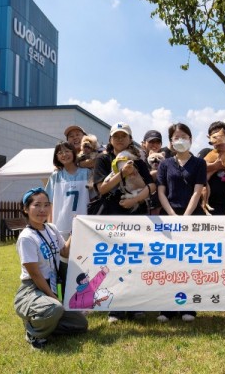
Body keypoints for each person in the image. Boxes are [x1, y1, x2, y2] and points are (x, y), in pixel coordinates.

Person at [92, 122, 156, 323]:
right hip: (112, 214)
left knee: (136, 260)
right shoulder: (103, 159)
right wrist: (122, 173)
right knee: (114, 261)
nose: (119, 139)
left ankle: (136, 305)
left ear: (130, 139)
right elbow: (101, 189)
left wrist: (134, 200)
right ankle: (116, 308)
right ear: (110, 139)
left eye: (124, 136)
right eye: (116, 136)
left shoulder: (137, 159)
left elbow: (152, 186)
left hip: (136, 214)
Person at [14, 187, 88, 350]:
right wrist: (53, 297)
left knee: (80, 324)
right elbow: (35, 274)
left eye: (46, 205)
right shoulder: (26, 238)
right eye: (37, 205)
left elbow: (64, 252)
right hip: (33, 288)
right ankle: (33, 332)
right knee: (54, 308)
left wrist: (74, 230)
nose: (42, 210)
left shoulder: (51, 228)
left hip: (53, 284)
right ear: (26, 209)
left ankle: (46, 324)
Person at [156, 123, 207, 322]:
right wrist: (172, 215)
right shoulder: (165, 164)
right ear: (170, 142)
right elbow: (161, 191)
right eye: (176, 137)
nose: (180, 140)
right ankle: (166, 308)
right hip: (168, 218)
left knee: (190, 262)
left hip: (192, 217)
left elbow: (198, 190)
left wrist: (185, 217)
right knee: (168, 264)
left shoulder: (199, 163)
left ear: (191, 139)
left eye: (184, 136)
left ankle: (189, 307)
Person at [45, 141, 92, 283]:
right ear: (56, 157)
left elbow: (94, 196)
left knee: (84, 261)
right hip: (61, 225)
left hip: (83, 223)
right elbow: (49, 202)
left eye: (67, 151)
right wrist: (48, 226)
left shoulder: (87, 173)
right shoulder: (55, 176)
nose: (64, 154)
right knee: (63, 262)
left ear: (74, 152)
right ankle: (65, 295)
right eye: (60, 152)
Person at [198, 121, 225, 216]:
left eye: (219, 134)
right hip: (210, 205)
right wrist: (215, 166)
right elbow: (196, 170)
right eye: (213, 135)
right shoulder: (206, 152)